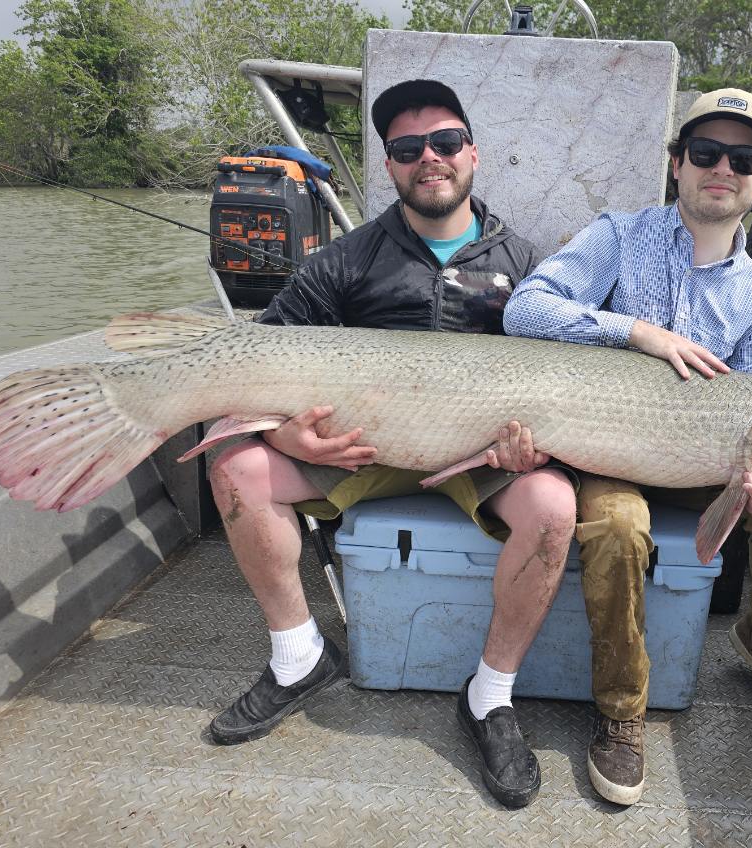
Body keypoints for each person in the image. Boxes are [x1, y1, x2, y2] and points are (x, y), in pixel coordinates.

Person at [207, 79, 578, 810]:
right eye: (407, 149)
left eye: (444, 142)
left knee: (555, 504)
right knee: (237, 466)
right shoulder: (345, 261)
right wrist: (287, 434)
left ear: (471, 152)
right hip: (365, 454)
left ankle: (490, 696)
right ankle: (298, 658)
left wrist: (530, 446)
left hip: (477, 460)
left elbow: (562, 378)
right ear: (390, 165)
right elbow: (259, 357)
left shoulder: (532, 265)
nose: (428, 159)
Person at [503, 88, 752, 806]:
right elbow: (523, 308)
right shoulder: (617, 237)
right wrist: (636, 333)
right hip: (610, 453)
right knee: (620, 528)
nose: (723, 168)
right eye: (706, 153)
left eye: (742, 158)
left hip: (706, 463)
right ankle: (623, 714)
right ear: (677, 164)